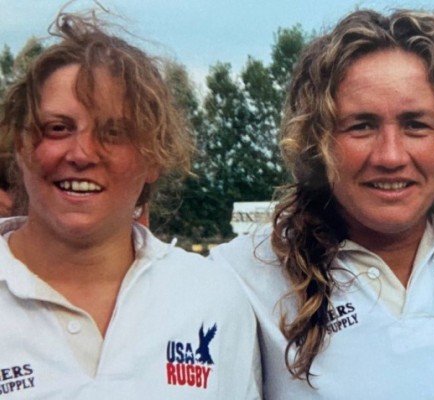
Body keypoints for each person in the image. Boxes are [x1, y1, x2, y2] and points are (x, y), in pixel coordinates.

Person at [211, 9, 434, 399]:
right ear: (318, 141)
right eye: (362, 125)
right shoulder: (243, 275)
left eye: (415, 124)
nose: (390, 156)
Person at [0, 9, 260, 399]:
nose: (82, 153)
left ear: (154, 157)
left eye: (114, 132)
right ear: (20, 145)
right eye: (58, 128)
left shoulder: (213, 298)